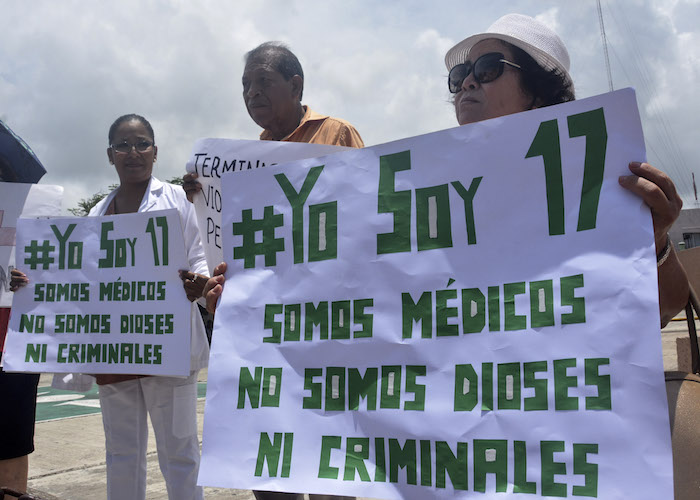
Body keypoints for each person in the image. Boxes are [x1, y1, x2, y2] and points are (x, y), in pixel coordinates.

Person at [188, 43, 362, 500]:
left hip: (329, 330)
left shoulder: (337, 134)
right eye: (245, 86)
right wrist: (205, 198)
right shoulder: (243, 158)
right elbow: (229, 246)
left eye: (262, 81)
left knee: (331, 467)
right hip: (266, 336)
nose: (251, 93)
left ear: (296, 85)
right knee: (272, 467)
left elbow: (368, 218)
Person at [442, 12, 687, 326]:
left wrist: (654, 240)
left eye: (487, 68)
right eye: (459, 74)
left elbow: (667, 308)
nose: (466, 82)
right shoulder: (425, 187)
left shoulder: (598, 178)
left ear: (538, 93)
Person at [12, 114, 210, 500]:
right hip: (113, 353)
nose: (132, 152)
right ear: (109, 155)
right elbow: (75, 279)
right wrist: (29, 285)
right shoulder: (95, 215)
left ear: (155, 152)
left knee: (180, 453)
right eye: (123, 145)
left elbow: (200, 258)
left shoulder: (177, 201)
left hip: (166, 347)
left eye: (141, 144)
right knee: (121, 453)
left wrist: (200, 286)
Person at [0, 158, 40, 494]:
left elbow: (50, 276)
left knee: (12, 441)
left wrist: (23, 280)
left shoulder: (27, 219)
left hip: (12, 346)